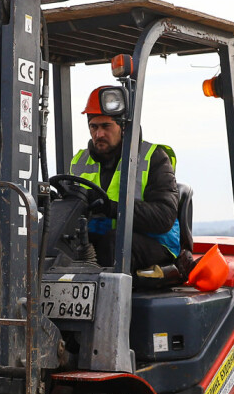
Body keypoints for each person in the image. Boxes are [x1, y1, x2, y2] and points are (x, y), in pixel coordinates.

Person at [68, 86, 180, 271]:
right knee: (57, 245)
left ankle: (110, 299)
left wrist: (111, 207)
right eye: (93, 127)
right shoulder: (79, 161)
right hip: (102, 240)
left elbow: (163, 218)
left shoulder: (153, 157)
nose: (99, 134)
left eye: (106, 126)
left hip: (155, 243)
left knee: (115, 243)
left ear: (124, 127)